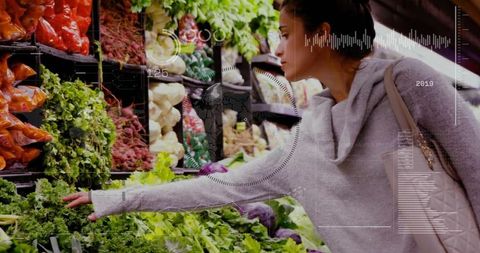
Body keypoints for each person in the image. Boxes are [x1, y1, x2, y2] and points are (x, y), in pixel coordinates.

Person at [63, 0, 480, 252]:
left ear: (321, 35)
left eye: (284, 34)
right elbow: (219, 188)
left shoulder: (406, 83)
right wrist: (114, 199)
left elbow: (476, 169)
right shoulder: (307, 142)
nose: (277, 48)